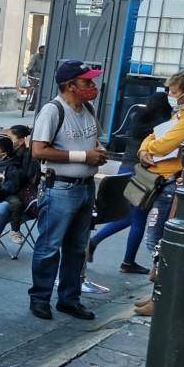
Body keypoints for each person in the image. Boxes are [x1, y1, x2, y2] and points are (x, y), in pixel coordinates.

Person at [28, 60, 108, 322]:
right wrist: (84, 156)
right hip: (59, 188)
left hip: (85, 187)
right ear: (70, 85)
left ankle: (69, 299)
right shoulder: (52, 111)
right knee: (49, 247)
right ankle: (40, 299)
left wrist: (98, 152)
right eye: (87, 81)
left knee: (76, 248)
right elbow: (38, 150)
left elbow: (93, 140)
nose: (92, 85)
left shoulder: (88, 108)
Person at [131, 66, 184, 315]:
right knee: (156, 240)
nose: (170, 95)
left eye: (174, 91)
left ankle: (160, 297)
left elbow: (163, 144)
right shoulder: (181, 115)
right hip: (161, 179)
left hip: (168, 182)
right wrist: (144, 149)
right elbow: (152, 137)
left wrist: (148, 148)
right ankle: (157, 294)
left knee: (157, 241)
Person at [88, 89, 172, 272]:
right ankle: (128, 261)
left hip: (125, 170)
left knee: (129, 216)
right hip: (144, 175)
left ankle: (95, 241)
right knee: (138, 219)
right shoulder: (164, 126)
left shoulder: (139, 118)